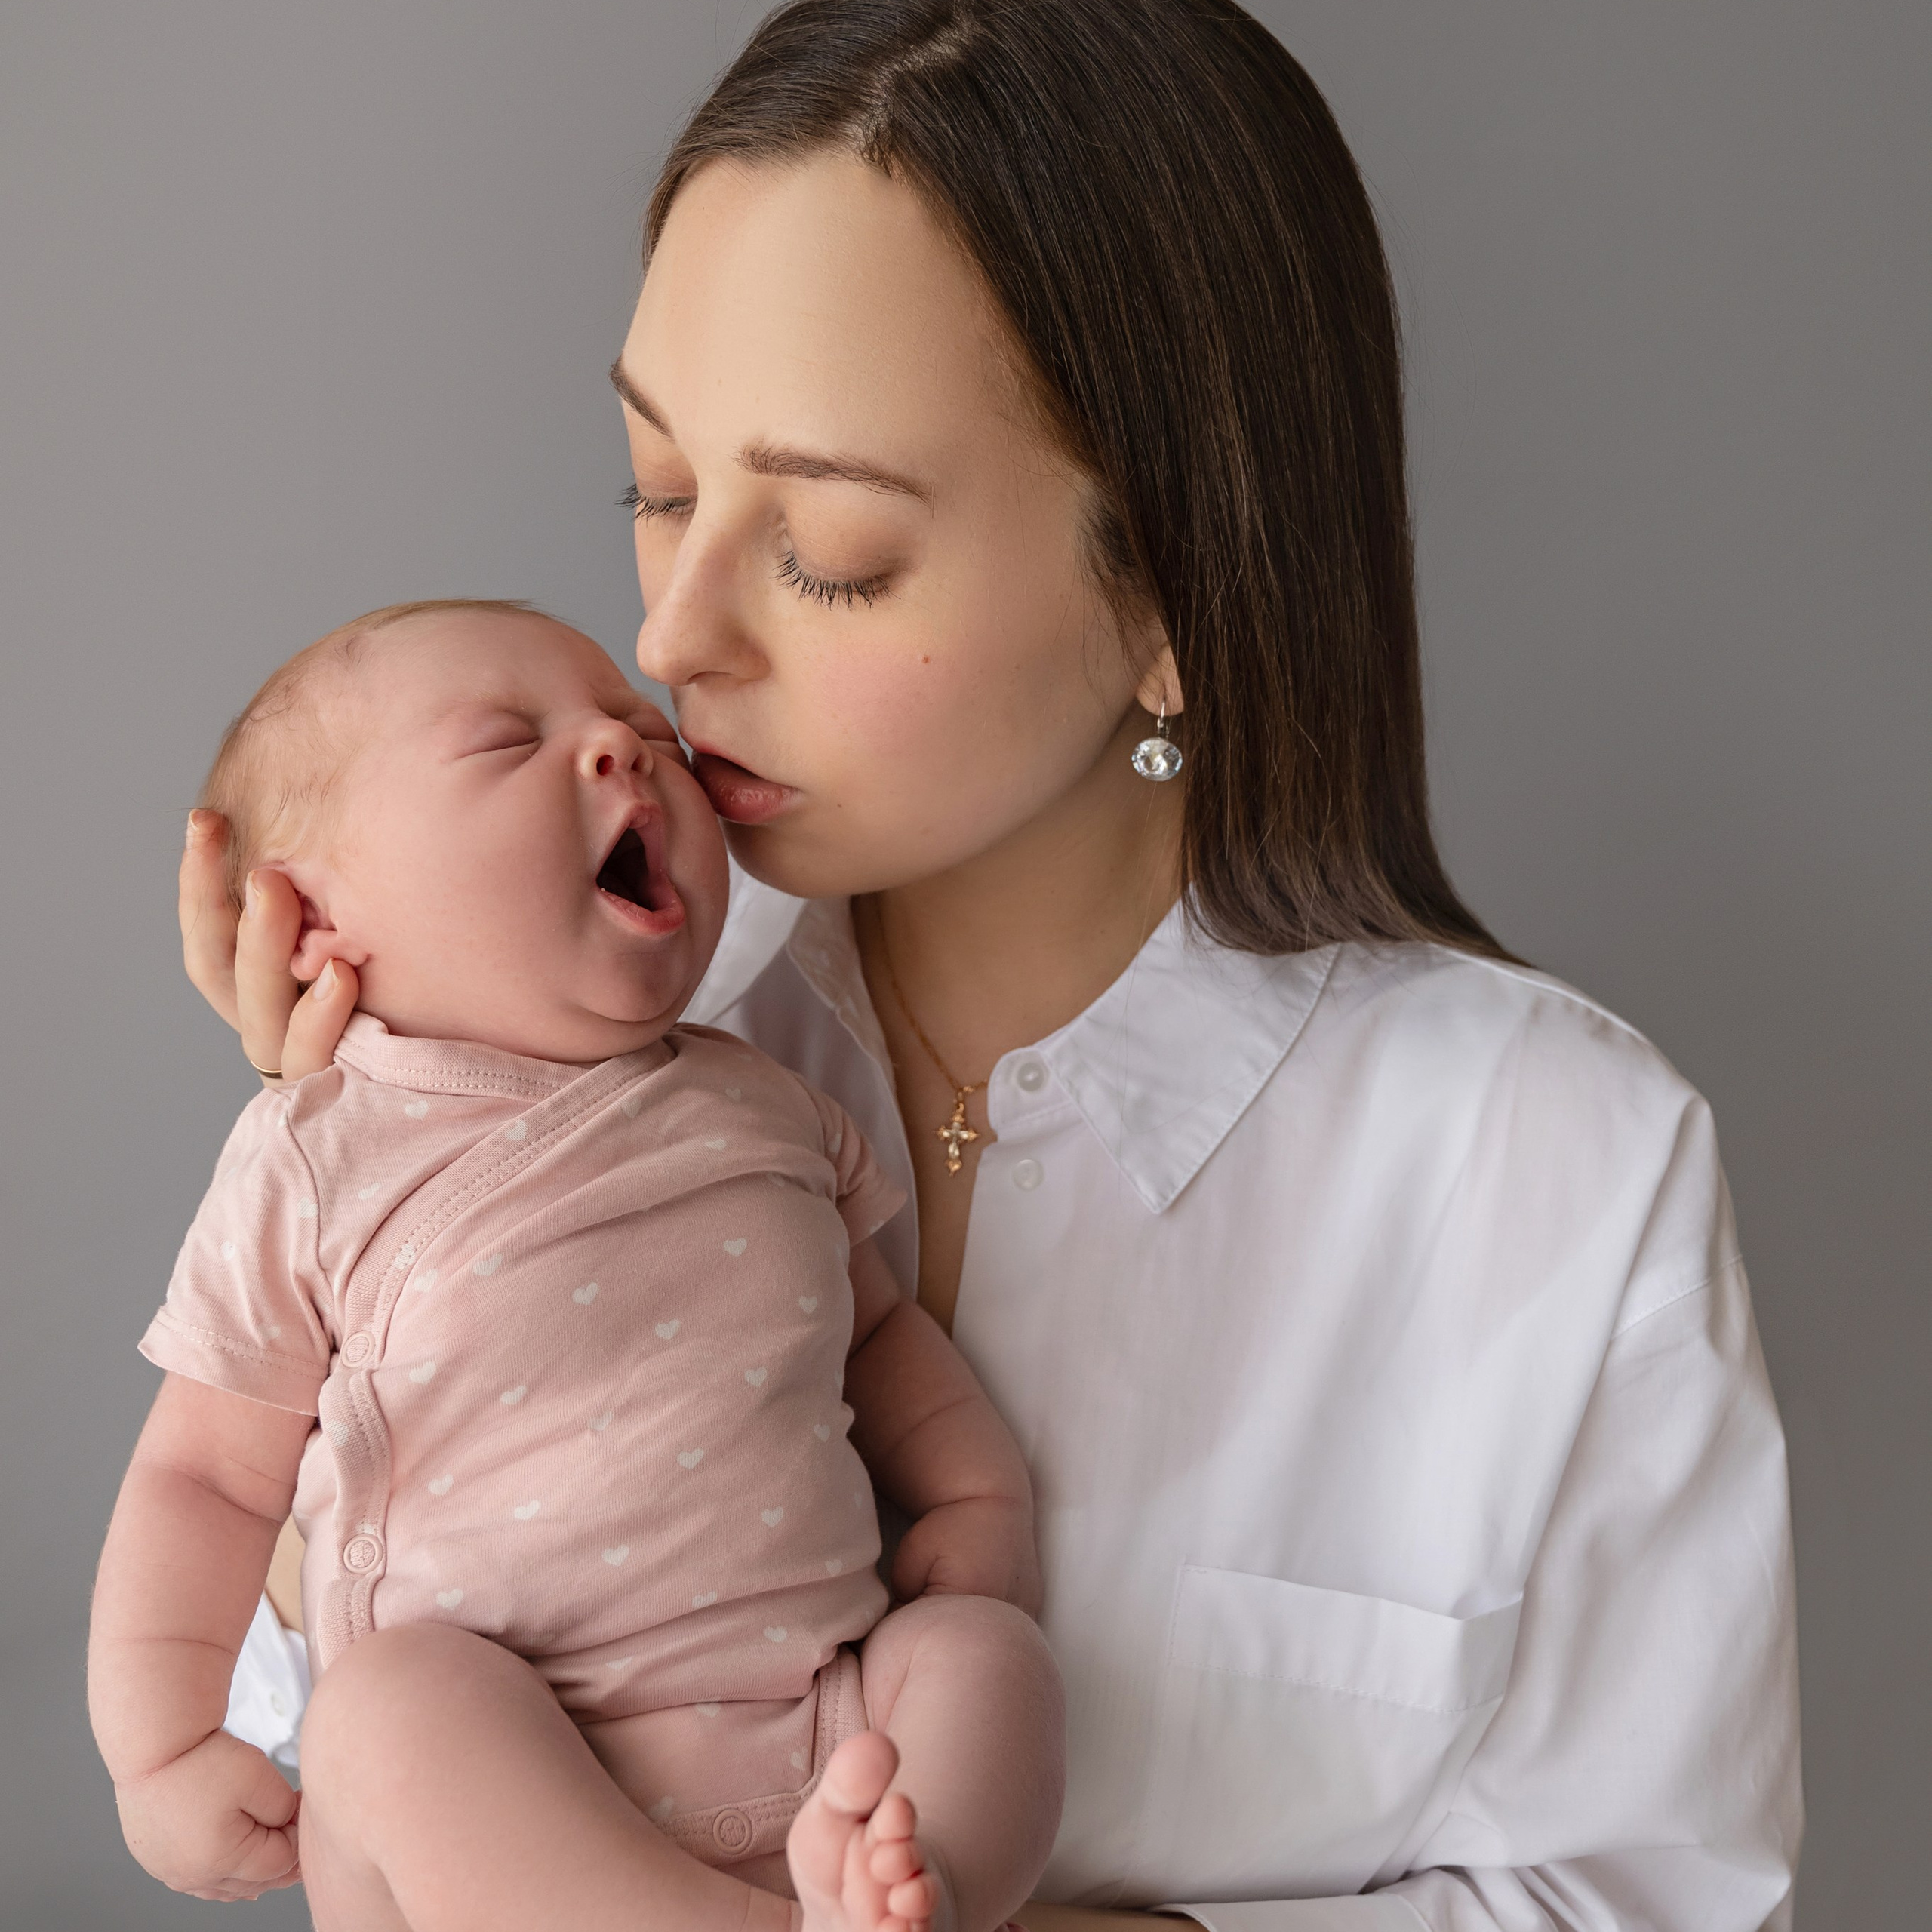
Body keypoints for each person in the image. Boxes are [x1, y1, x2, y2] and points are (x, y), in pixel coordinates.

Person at [174, 2, 1802, 1927]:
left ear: (1176, 603)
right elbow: (298, 1767)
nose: (671, 635)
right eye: (659, 486)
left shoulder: (1554, 1171)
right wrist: (373, 1186)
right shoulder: (548, 1039)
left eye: (834, 551)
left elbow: (1651, 1899)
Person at [93, 601, 1064, 1931]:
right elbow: (203, 1475)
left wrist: (972, 1496)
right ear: (312, 920)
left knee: (980, 1656)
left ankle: (920, 1891)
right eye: (504, 744)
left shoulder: (766, 1105)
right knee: (383, 1711)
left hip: (820, 1743)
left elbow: (879, 1335)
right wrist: (157, 1746)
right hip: (506, 1805)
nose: (621, 743)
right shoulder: (314, 1160)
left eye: (645, 729)